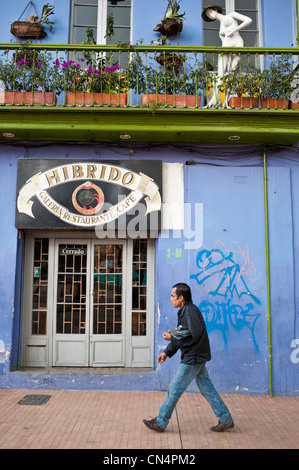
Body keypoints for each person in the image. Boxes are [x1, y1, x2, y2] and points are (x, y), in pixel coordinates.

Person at [143, 283, 234, 433]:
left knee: (174, 388)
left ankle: (160, 422)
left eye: (173, 296)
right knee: (207, 388)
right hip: (196, 356)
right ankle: (226, 419)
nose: (171, 299)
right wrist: (167, 351)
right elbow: (182, 334)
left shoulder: (190, 311)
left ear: (181, 298)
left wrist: (172, 337)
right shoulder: (185, 311)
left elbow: (193, 335)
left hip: (193, 357)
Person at [202, 5, 252, 108]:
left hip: (237, 43)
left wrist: (235, 30)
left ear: (216, 10)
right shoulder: (220, 26)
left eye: (210, 12)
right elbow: (223, 40)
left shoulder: (231, 15)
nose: (210, 15)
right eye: (208, 15)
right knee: (220, 75)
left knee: (231, 75)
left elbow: (248, 20)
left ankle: (225, 102)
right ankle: (213, 101)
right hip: (226, 45)